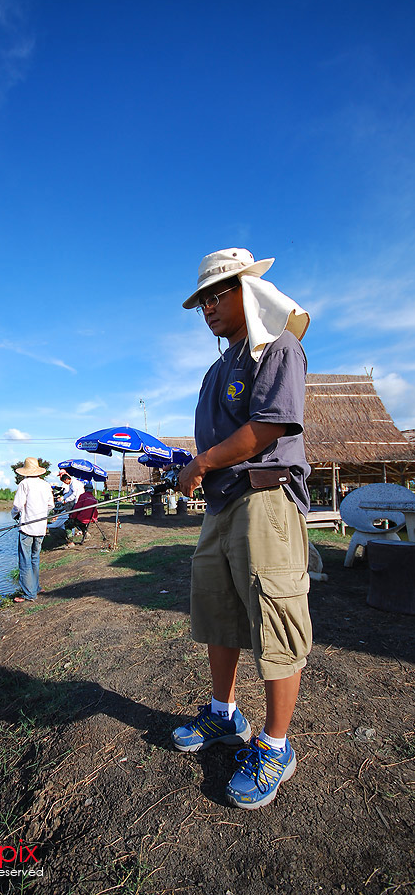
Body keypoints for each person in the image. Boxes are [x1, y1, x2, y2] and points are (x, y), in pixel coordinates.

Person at [172, 247, 311, 810]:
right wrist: (195, 467)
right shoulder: (216, 367)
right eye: (201, 299)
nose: (207, 306)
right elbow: (212, 442)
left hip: (265, 497)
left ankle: (276, 746)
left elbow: (269, 426)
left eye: (216, 294)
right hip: (221, 505)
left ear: (246, 292)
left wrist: (201, 464)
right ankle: (225, 715)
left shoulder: (277, 346)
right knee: (219, 611)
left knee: (274, 617)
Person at [11, 457, 54, 602]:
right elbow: (51, 505)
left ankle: (29, 593)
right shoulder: (45, 485)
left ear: (26, 471)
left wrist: (14, 515)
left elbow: (17, 505)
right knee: (35, 558)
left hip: (27, 528)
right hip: (41, 528)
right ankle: (35, 587)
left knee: (25, 560)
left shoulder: (24, 484)